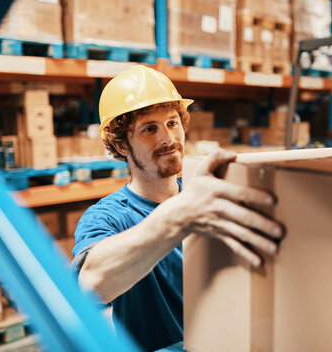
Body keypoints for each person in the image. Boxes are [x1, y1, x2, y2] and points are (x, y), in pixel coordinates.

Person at [71, 65, 283, 351]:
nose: (168, 139)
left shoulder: (208, 200)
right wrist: (179, 217)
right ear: (121, 145)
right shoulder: (109, 217)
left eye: (172, 123)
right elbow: (90, 286)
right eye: (149, 129)